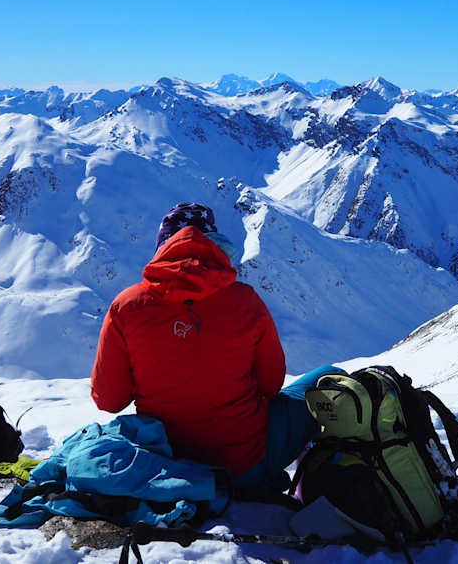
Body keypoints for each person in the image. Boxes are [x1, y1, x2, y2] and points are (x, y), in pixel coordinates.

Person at [90, 202, 342, 491]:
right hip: (243, 466)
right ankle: (313, 493)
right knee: (330, 378)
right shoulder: (246, 301)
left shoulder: (126, 306)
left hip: (166, 469)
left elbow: (109, 400)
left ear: (162, 246)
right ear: (215, 245)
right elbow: (270, 386)